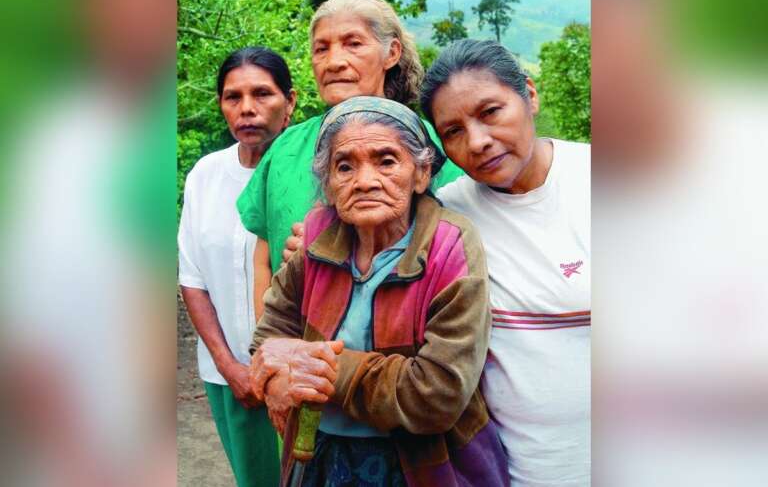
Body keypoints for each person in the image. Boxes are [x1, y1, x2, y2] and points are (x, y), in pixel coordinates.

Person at [249, 96, 509, 487]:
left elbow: (436, 395)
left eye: (386, 161)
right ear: (329, 184)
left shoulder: (449, 244)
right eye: (345, 166)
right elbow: (271, 337)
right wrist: (273, 379)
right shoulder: (318, 233)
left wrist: (318, 368)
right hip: (318, 454)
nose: (365, 180)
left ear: (421, 174)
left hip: (425, 464)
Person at [420, 39, 591, 486]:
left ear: (529, 96)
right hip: (528, 474)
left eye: (490, 112)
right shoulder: (446, 219)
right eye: (453, 131)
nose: (477, 141)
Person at [236, 0, 463, 297]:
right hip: (294, 336)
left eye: (353, 44)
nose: (334, 62)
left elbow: (458, 250)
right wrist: (265, 341)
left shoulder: (427, 145)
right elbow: (263, 258)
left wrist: (329, 251)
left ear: (392, 53)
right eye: (321, 49)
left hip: (398, 336)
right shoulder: (286, 146)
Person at [178, 46, 296, 487]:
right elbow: (192, 280)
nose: (247, 108)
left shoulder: (314, 172)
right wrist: (230, 367)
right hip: (227, 375)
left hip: (299, 379)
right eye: (233, 96)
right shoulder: (205, 176)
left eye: (262, 93)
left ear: (291, 101)